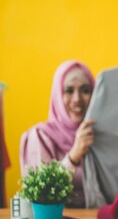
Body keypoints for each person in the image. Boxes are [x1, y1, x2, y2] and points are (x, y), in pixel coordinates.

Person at [20, 60, 95, 207]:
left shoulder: (96, 136)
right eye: (69, 90)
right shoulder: (40, 136)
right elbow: (41, 194)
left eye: (85, 90)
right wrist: (73, 156)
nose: (77, 99)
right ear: (57, 95)